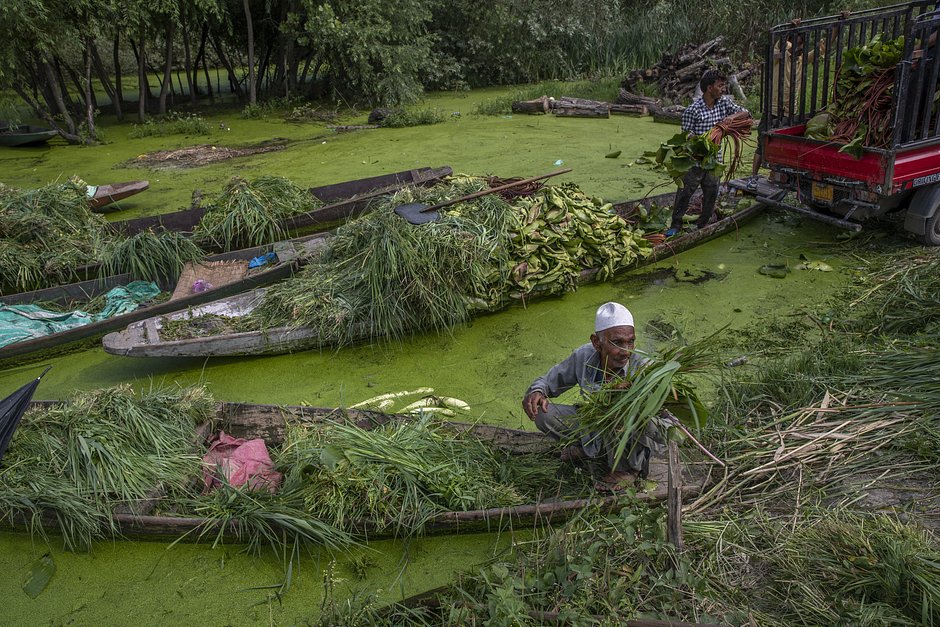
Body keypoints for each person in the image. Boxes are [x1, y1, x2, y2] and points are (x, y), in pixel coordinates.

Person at [521, 302, 664, 490]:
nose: (626, 351)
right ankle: (590, 449)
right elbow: (548, 381)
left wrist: (628, 397)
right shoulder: (584, 356)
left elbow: (663, 423)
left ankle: (628, 470)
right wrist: (537, 391)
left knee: (617, 412)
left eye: (630, 341)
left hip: (634, 435)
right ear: (597, 342)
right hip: (595, 424)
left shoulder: (644, 367)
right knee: (543, 413)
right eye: (617, 342)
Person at [665, 69, 749, 238]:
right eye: (720, 85)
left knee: (712, 193)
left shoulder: (723, 103)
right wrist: (703, 142)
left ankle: (702, 225)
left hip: (714, 161)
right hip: (694, 162)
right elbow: (686, 137)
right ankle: (676, 224)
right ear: (710, 88)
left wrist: (730, 120)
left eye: (724, 85)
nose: (723, 88)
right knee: (684, 193)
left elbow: (745, 113)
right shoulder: (693, 110)